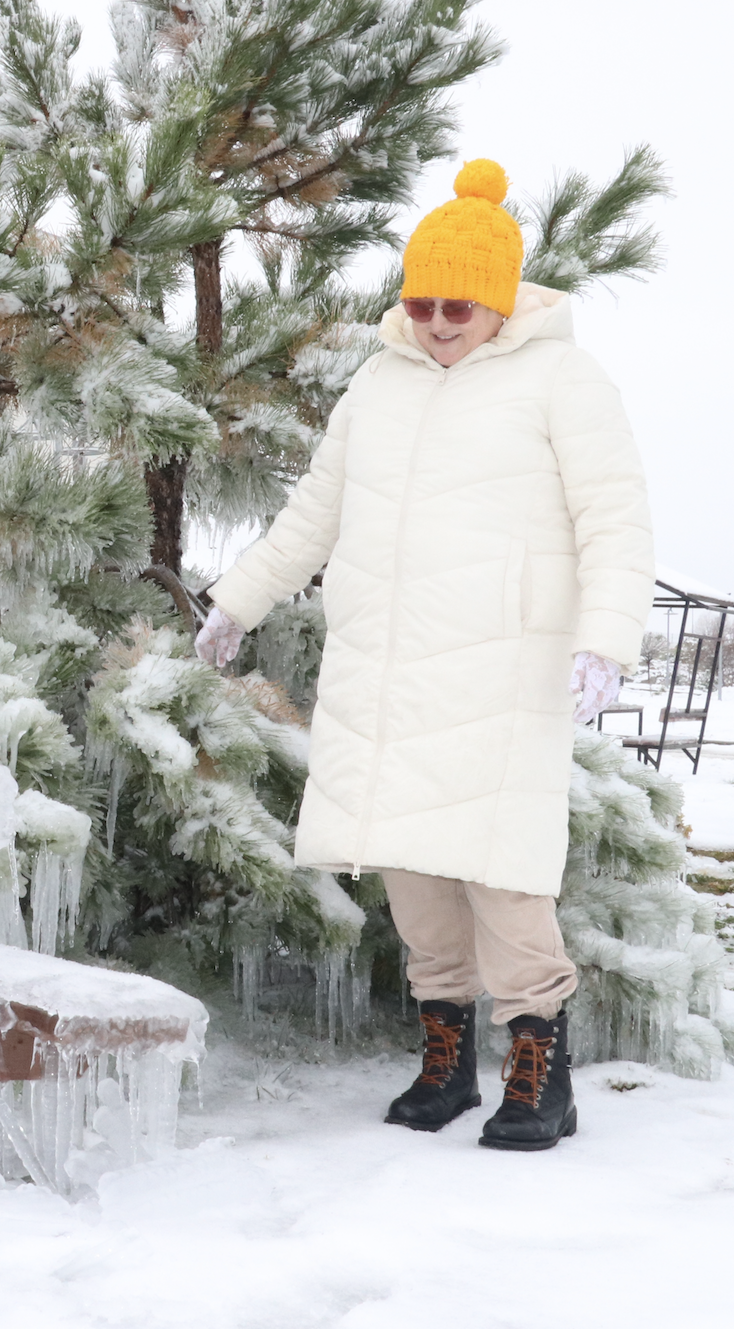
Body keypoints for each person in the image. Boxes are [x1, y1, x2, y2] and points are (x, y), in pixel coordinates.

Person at [194, 159, 655, 1152]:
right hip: (386, 669)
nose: (439, 320)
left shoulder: (561, 379)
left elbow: (613, 516)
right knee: (413, 874)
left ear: (496, 301)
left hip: (501, 668)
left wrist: (605, 641)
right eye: (421, 300)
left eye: (459, 303)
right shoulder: (379, 380)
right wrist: (237, 601)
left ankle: (540, 1067)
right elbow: (313, 512)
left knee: (506, 875)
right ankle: (443, 1056)